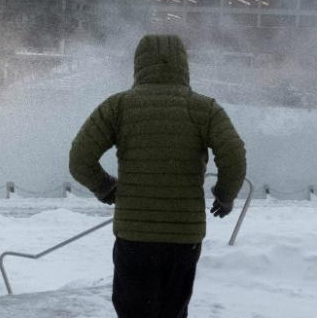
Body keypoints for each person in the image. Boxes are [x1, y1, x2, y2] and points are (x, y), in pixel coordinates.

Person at [69, 34, 246, 318]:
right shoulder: (205, 108)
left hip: (135, 237)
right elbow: (234, 156)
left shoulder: (118, 106)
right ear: (183, 65)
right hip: (183, 236)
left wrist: (105, 187)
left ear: (139, 64)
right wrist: (224, 196)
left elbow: (79, 158)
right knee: (172, 311)